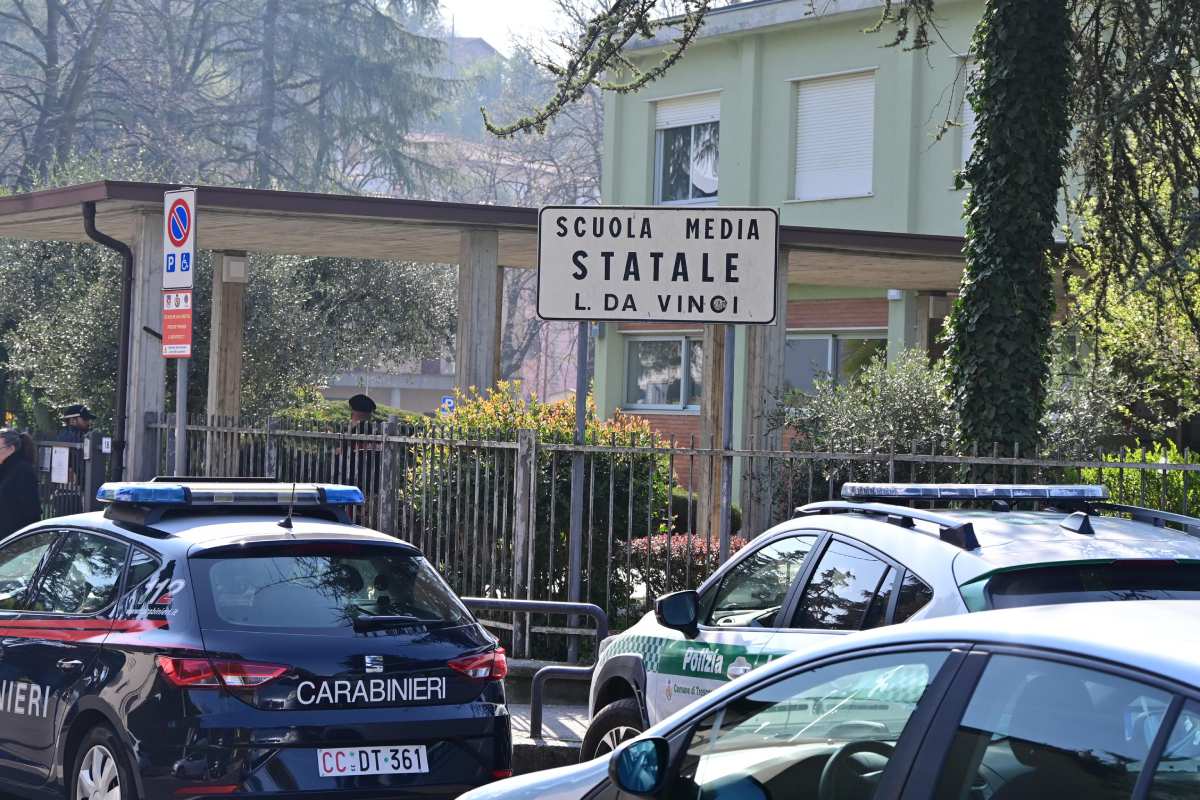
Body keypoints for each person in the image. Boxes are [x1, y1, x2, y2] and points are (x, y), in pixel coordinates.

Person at [0, 429, 41, 536]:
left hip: (15, 538)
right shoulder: (4, 469)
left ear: (11, 449)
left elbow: (32, 511)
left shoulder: (23, 471)